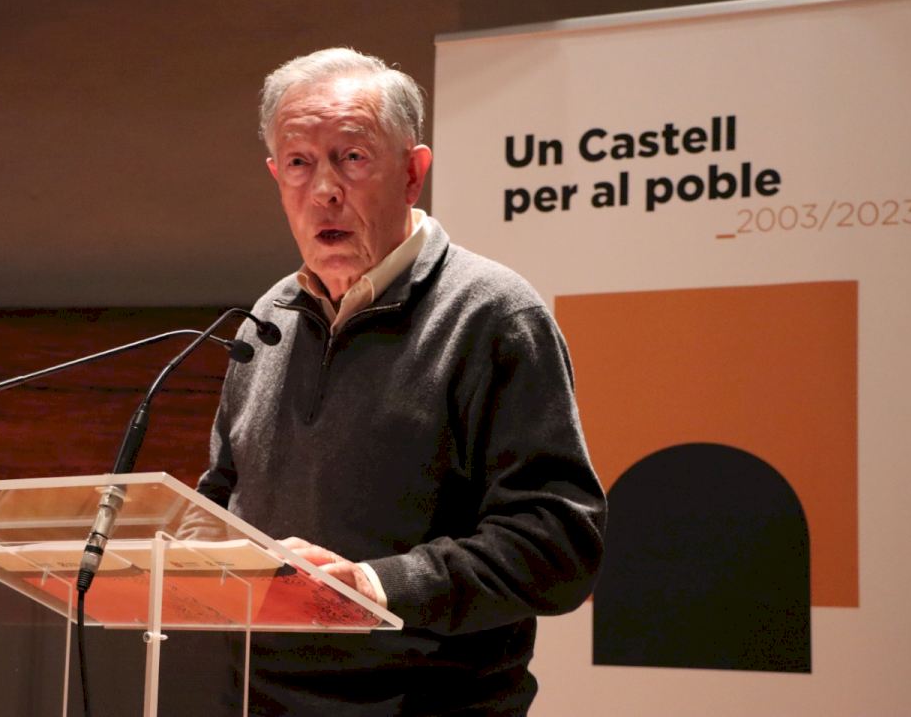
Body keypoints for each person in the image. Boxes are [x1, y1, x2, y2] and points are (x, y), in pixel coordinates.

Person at [196, 47, 606, 715]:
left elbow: (557, 543)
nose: (323, 189)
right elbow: (224, 497)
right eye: (299, 163)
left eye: (352, 158)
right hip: (257, 701)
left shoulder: (494, 315)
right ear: (276, 176)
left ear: (413, 174)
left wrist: (373, 585)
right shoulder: (269, 317)